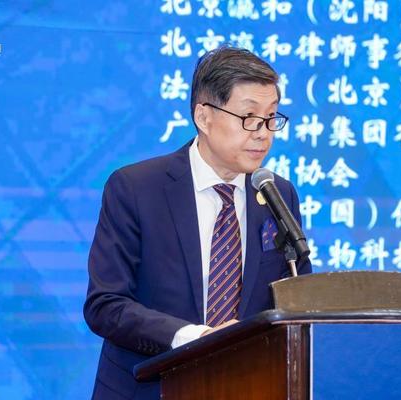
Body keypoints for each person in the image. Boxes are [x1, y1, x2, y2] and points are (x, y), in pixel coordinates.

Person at [83, 46, 312, 400]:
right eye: (249, 116)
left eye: (271, 117)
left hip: (248, 388)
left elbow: (297, 297)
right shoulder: (136, 188)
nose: (263, 133)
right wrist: (195, 338)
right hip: (147, 389)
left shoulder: (277, 194)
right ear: (204, 117)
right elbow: (105, 305)